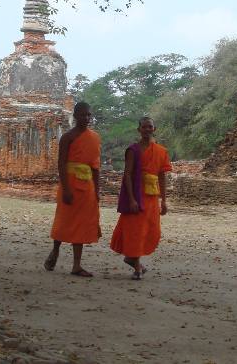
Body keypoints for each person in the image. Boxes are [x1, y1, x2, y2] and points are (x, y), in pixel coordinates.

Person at [44, 102, 101, 277]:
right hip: (69, 183)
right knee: (64, 219)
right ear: (75, 116)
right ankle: (55, 250)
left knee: (82, 223)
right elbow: (61, 163)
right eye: (83, 115)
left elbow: (95, 167)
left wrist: (97, 191)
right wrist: (66, 188)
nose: (87, 118)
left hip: (87, 186)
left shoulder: (95, 138)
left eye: (89, 115)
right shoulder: (67, 137)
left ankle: (76, 265)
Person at [110, 116, 171, 280]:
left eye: (150, 127)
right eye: (144, 127)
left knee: (150, 230)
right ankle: (137, 267)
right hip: (137, 195)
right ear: (139, 129)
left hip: (152, 198)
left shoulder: (161, 151)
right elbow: (128, 175)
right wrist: (131, 199)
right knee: (135, 231)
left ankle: (132, 259)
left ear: (154, 129)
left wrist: (164, 200)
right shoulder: (133, 150)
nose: (147, 129)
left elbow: (162, 177)